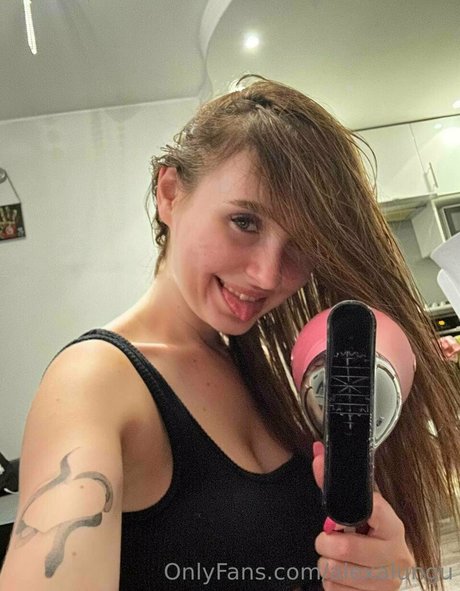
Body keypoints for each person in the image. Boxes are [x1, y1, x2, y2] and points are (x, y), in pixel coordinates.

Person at [1, 75, 459, 591]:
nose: (267, 274)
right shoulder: (93, 382)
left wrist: (367, 572)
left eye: (301, 245)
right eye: (244, 221)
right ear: (170, 193)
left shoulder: (265, 367)